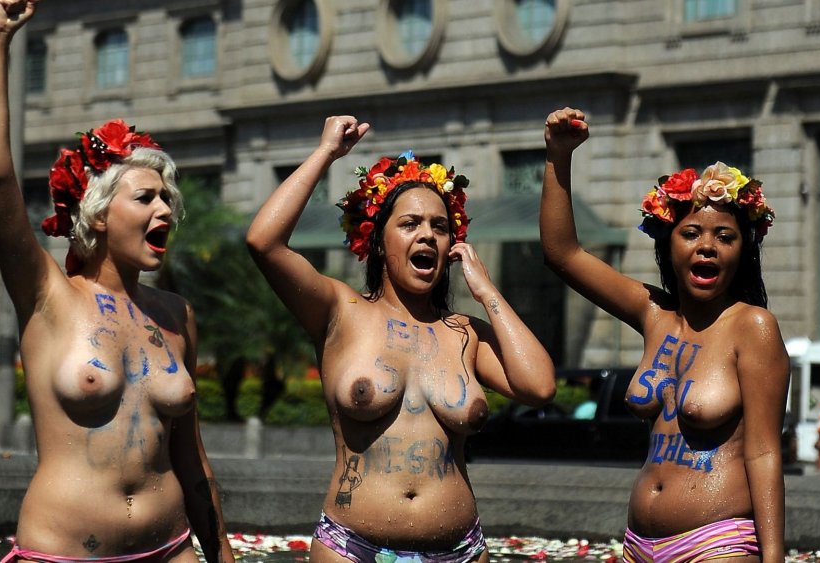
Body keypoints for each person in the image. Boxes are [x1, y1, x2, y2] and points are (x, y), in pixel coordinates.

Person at [0, 2, 233, 562]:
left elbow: (192, 460)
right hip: (66, 553)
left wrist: (222, 553)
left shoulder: (176, 314)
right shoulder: (47, 296)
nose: (165, 209)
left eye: (168, 198)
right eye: (145, 198)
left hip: (172, 550)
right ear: (96, 213)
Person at [246, 116, 556, 563]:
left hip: (461, 551)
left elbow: (539, 386)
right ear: (376, 240)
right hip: (353, 548)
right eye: (410, 223)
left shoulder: (465, 333)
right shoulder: (341, 311)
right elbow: (264, 242)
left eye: (439, 226)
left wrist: (487, 293)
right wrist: (326, 153)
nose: (427, 234)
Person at [540, 107, 790, 563]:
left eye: (725, 237)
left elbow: (764, 453)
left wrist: (773, 560)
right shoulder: (653, 314)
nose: (707, 246)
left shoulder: (753, 327)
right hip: (639, 545)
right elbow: (563, 253)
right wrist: (559, 156)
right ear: (668, 244)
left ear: (742, 251)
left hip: (718, 544)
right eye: (691, 232)